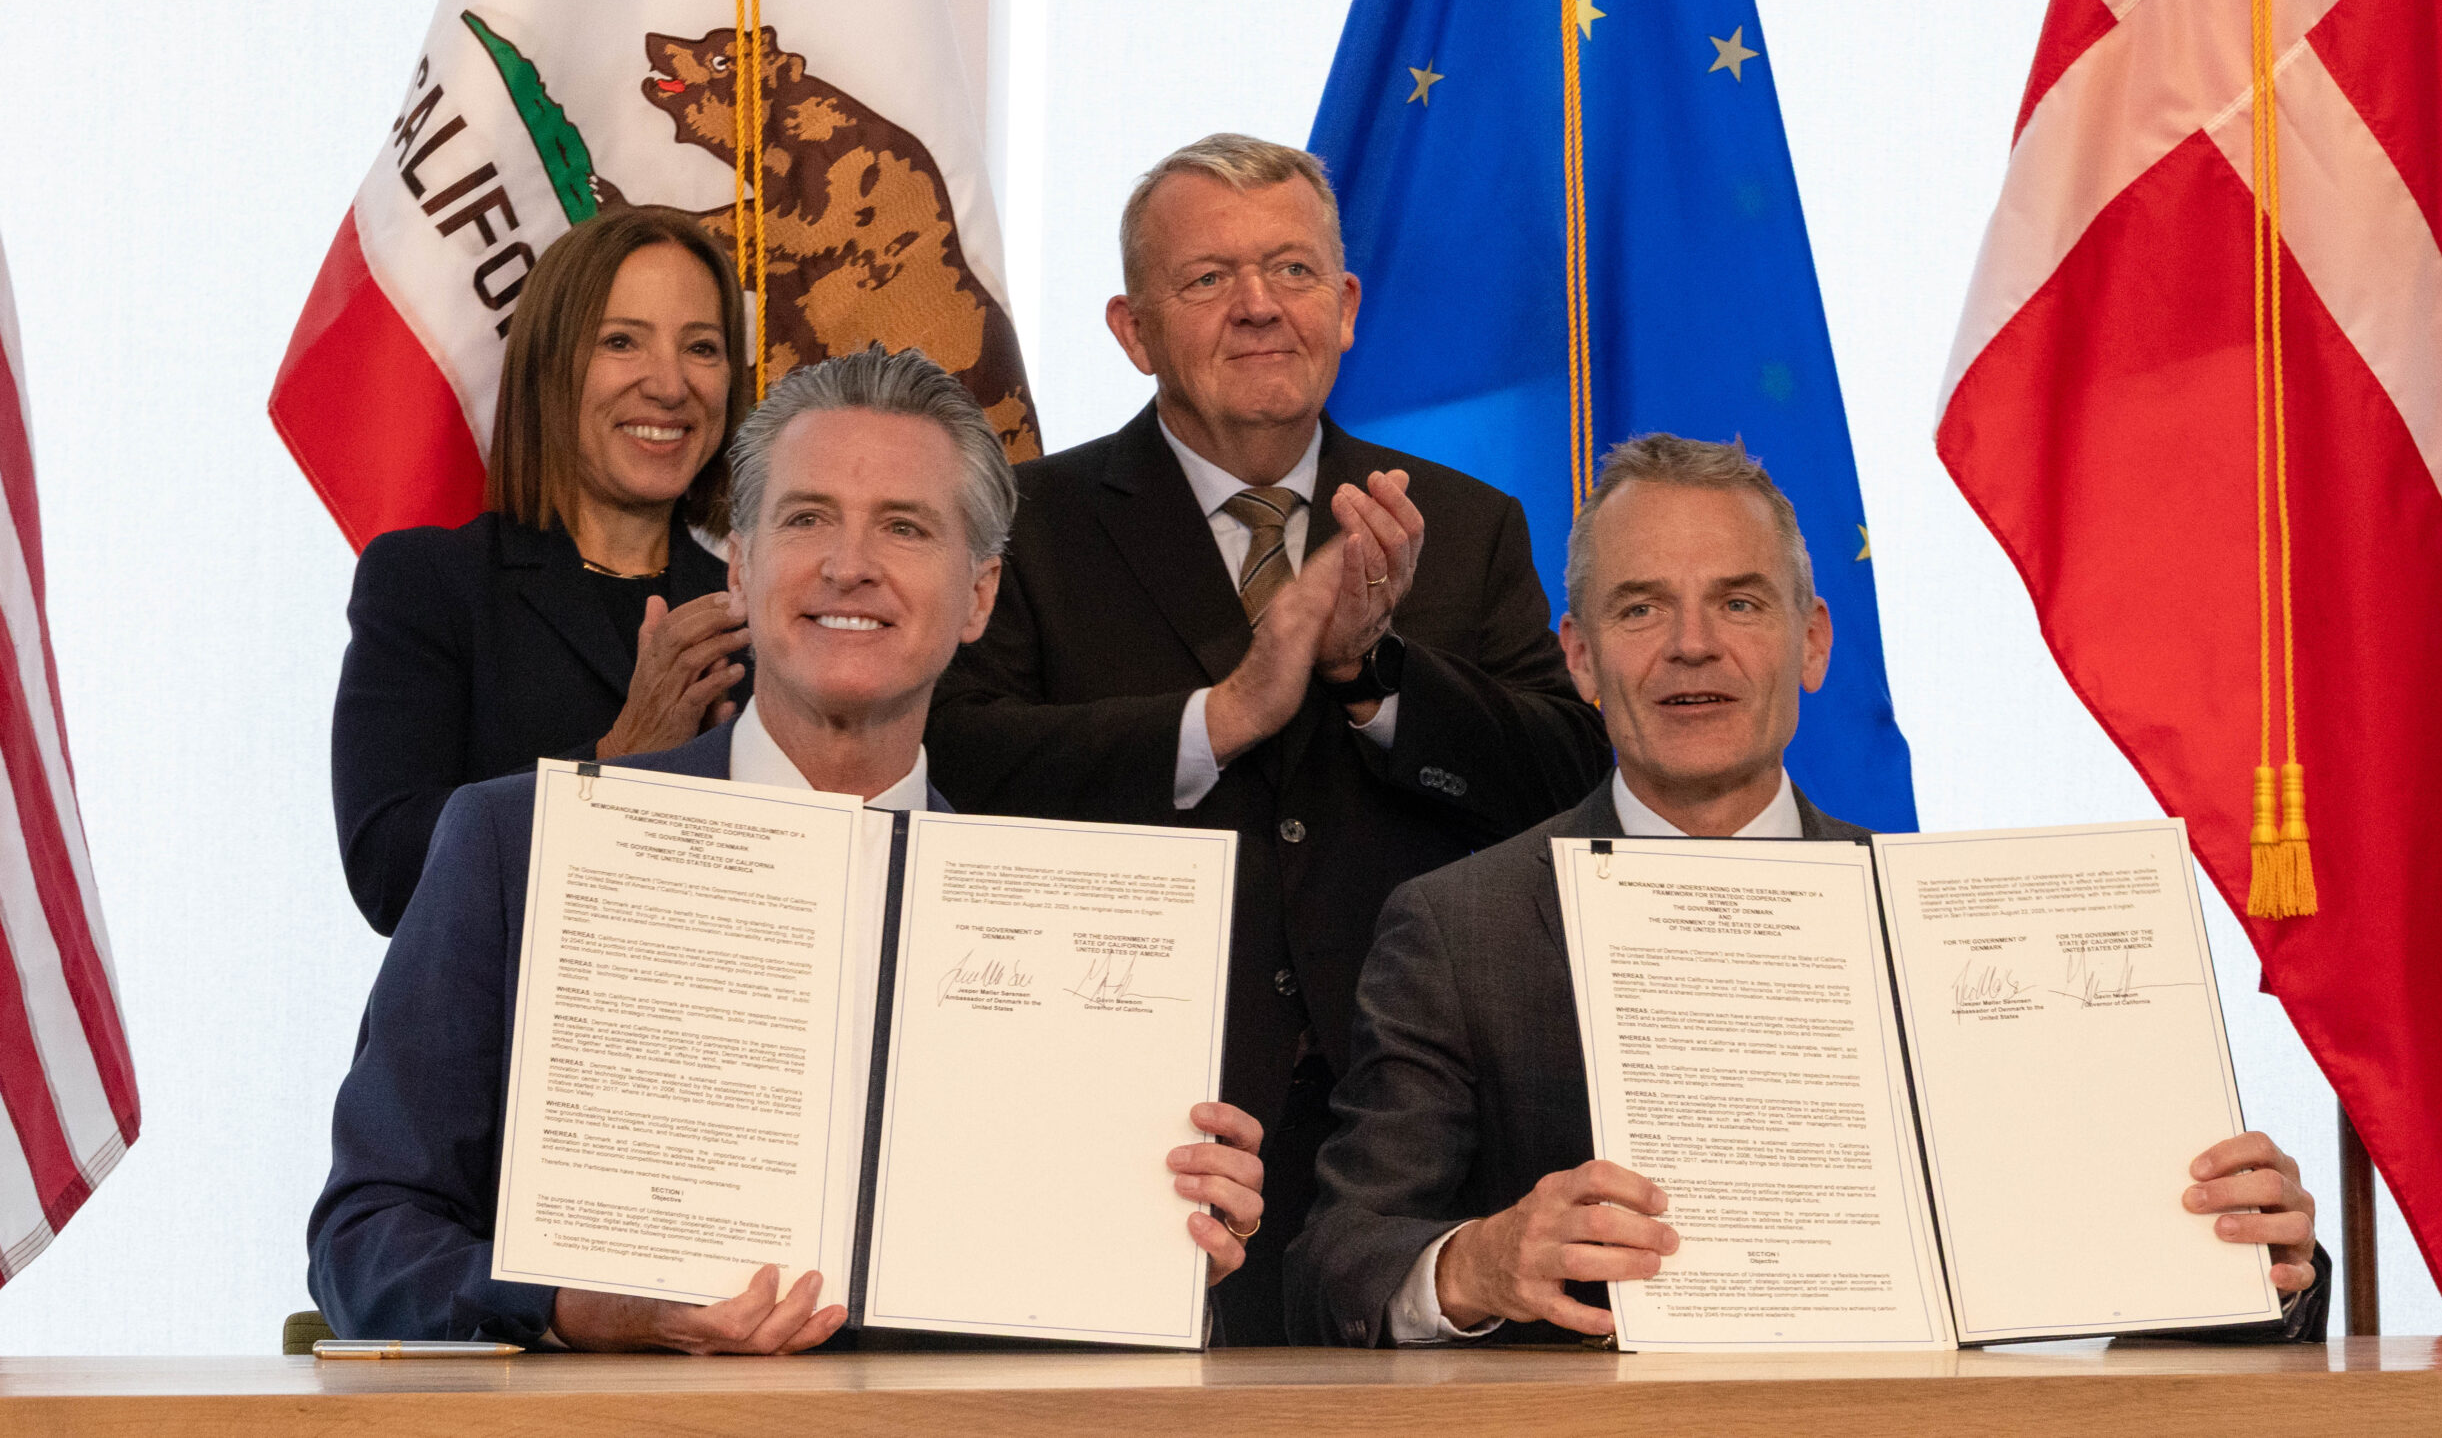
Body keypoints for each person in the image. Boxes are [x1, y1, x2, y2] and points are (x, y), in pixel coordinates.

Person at [310, 348, 1265, 1351]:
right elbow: (366, 1243)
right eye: (806, 519)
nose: (847, 564)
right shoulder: (520, 846)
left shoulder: (1075, 930)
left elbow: (1058, 1331)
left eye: (904, 526)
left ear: (979, 595)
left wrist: (1157, 1240)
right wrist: (585, 1310)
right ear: (741, 565)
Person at [1286, 434, 2329, 1347]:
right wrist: (1474, 1265)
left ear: (1814, 641)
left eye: (1739, 602)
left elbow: (2143, 1276)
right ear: (1582, 662)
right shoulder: (1459, 927)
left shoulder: (1948, 927)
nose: (1693, 644)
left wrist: (2257, 1256)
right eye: (1642, 608)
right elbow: (1338, 1261)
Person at [927, 134, 1612, 1341]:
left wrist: (1372, 674)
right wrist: (1221, 717)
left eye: (1292, 272)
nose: (1257, 308)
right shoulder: (1026, 527)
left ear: (1344, 308)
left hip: (1423, 1152)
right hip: (1138, 1148)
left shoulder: (1462, 522)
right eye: (1206, 281)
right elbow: (962, 769)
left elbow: (1563, 783)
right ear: (1131, 332)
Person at [330, 206, 758, 934]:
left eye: (703, 347)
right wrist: (615, 763)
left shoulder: (759, 614)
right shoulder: (429, 584)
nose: (669, 383)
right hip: (492, 1041)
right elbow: (390, 873)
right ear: (550, 365)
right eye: (622, 341)